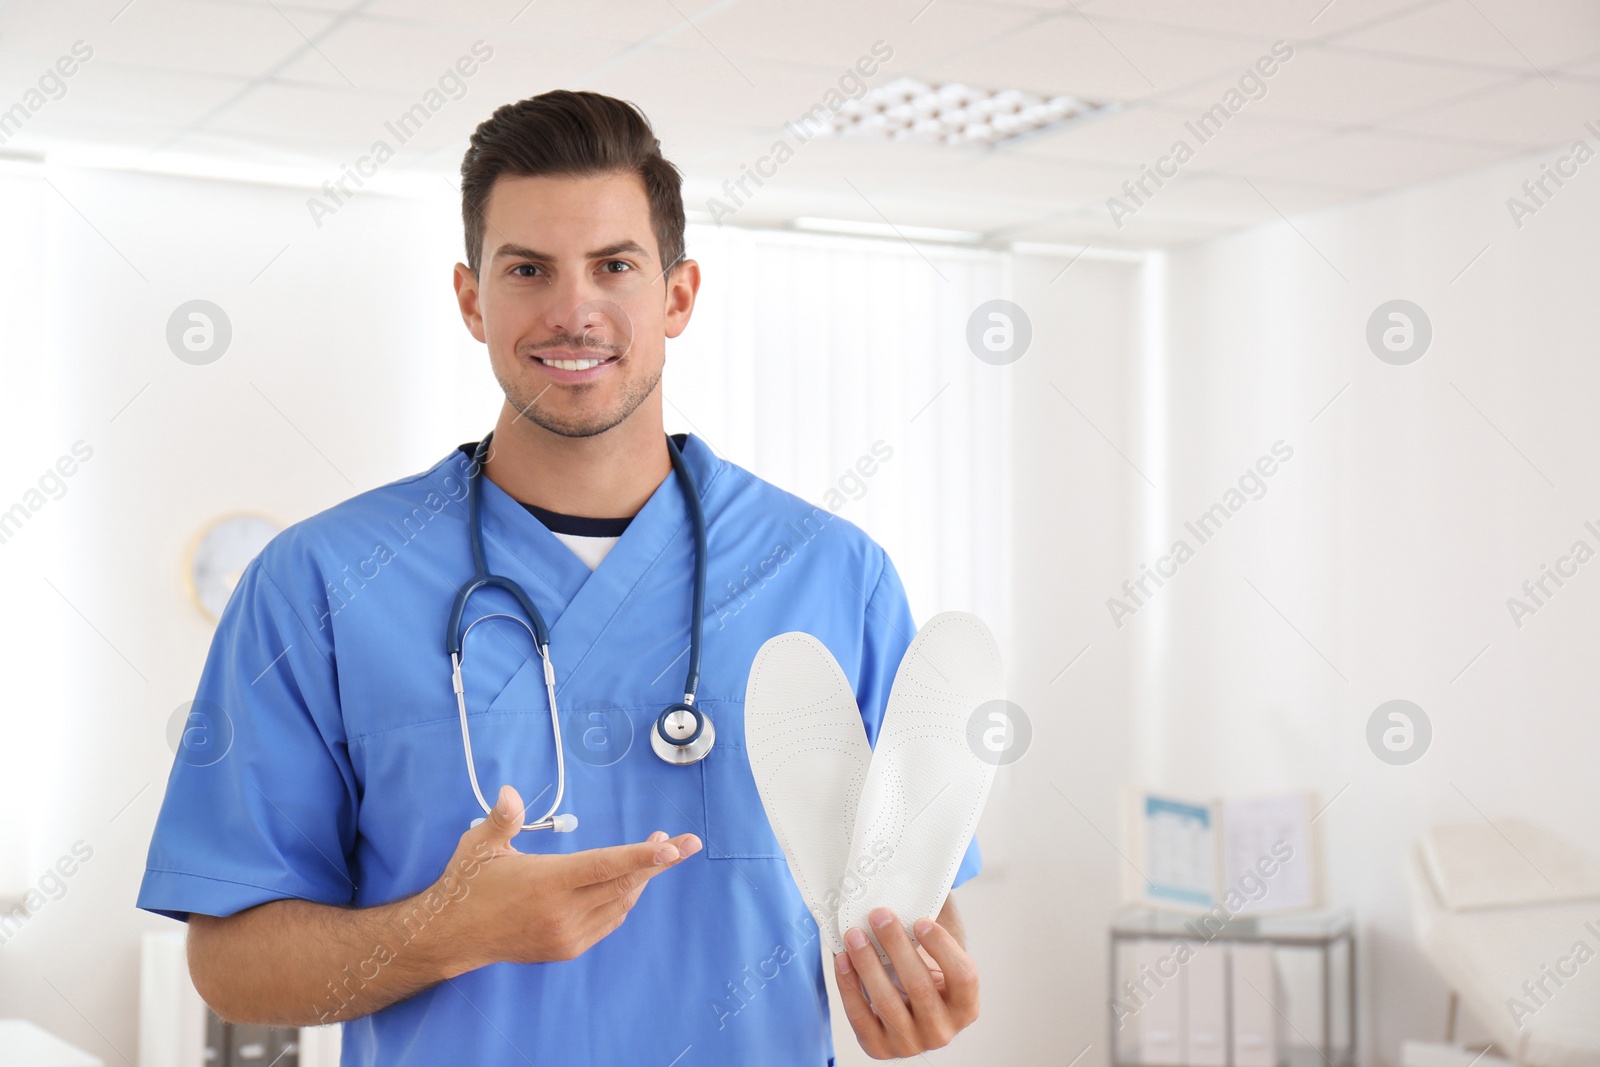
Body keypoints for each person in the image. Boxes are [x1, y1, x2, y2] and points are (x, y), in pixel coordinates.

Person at [138, 89, 982, 1065]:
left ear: (676, 294)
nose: (573, 308)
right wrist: (449, 927)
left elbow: (919, 911)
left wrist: (925, 996)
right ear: (471, 298)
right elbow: (232, 963)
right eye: (528, 269)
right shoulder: (319, 583)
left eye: (614, 265)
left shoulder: (833, 575)